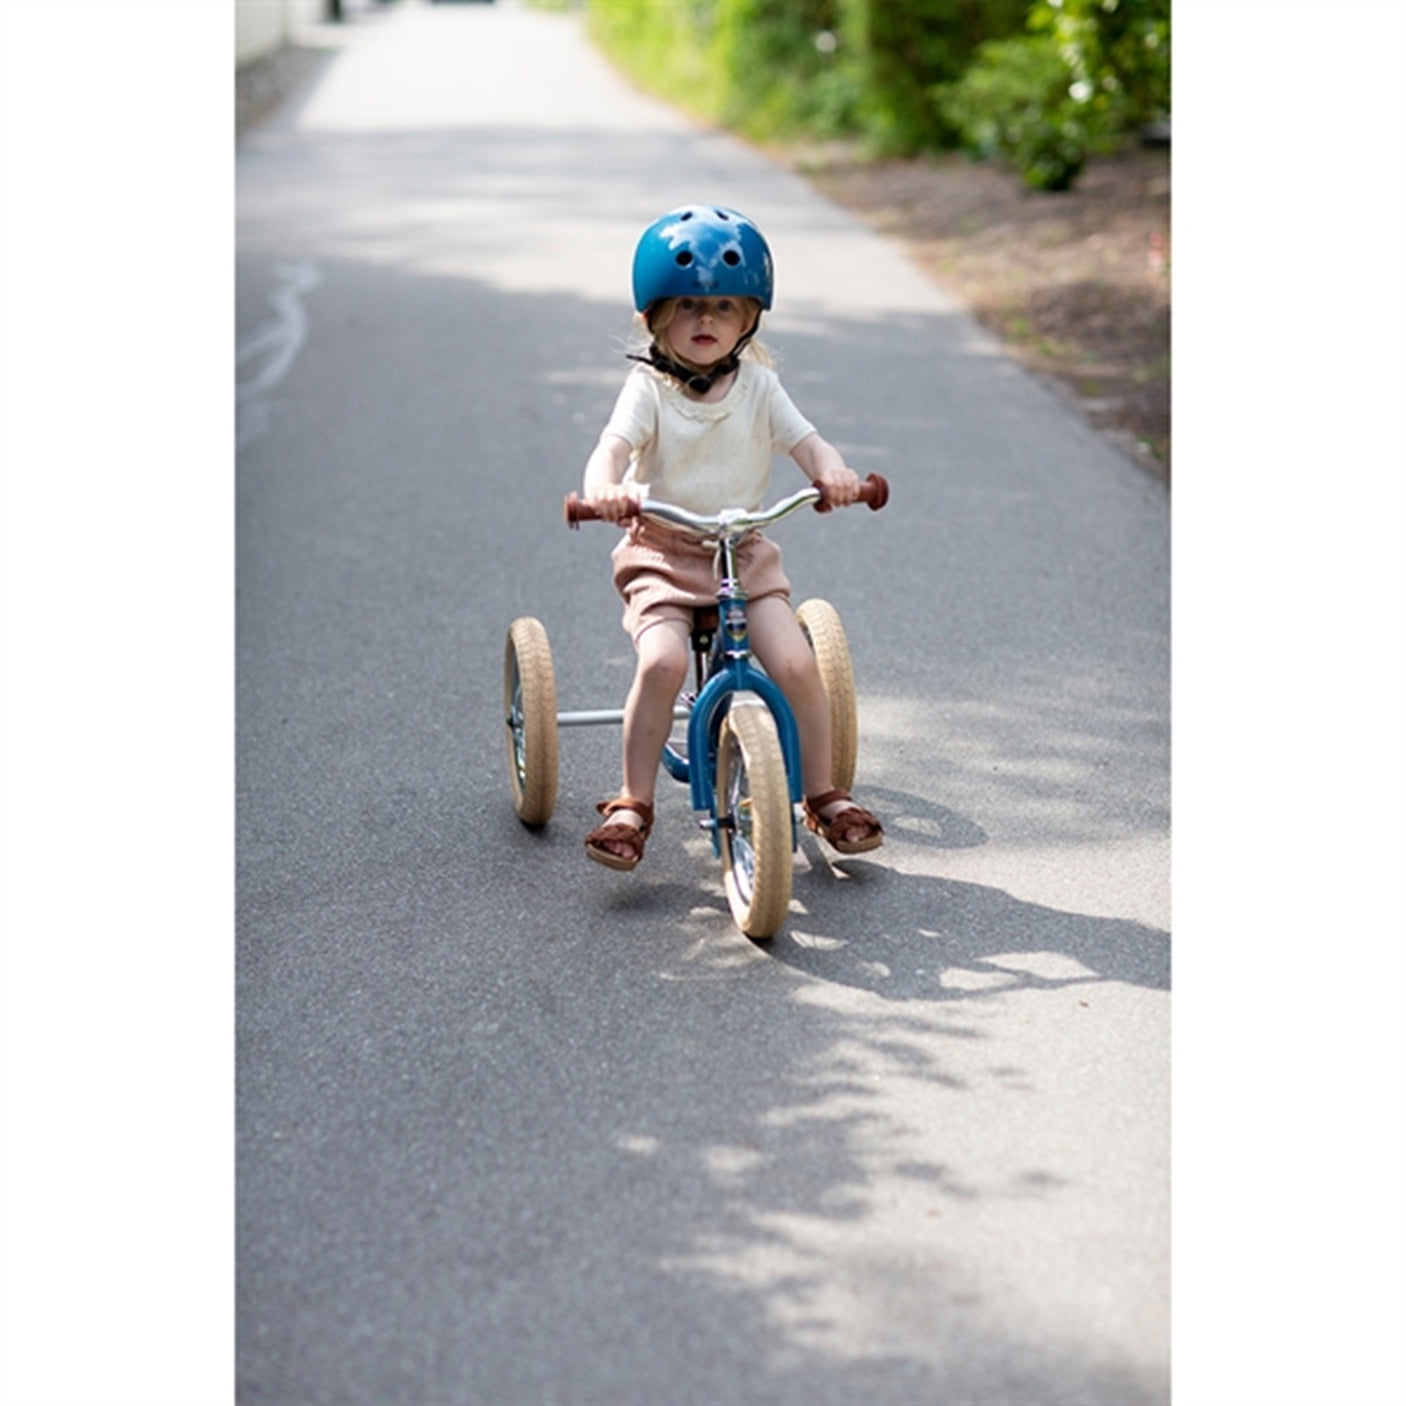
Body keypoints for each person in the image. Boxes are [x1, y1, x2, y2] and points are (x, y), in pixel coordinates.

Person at [579, 204, 884, 871]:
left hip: (741, 552)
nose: (706, 319)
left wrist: (833, 474)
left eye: (723, 306)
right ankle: (633, 804)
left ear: (749, 319)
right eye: (688, 305)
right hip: (662, 554)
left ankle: (824, 794)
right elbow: (612, 449)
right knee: (662, 662)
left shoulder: (760, 388)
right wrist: (605, 487)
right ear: (654, 316)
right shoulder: (648, 390)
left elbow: (808, 442)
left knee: (796, 663)